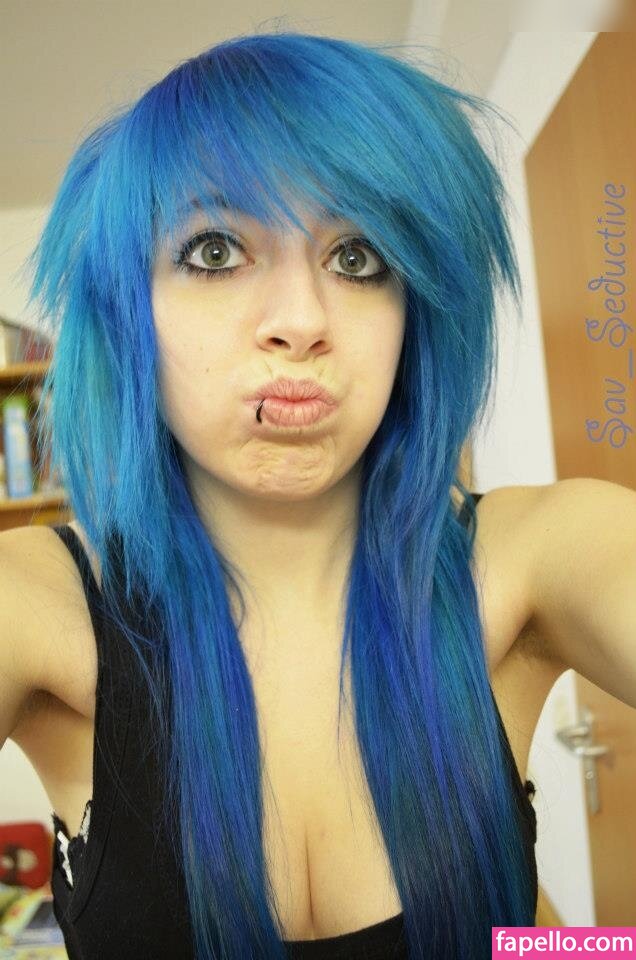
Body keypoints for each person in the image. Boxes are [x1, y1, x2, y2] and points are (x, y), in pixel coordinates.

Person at [2, 27, 634, 960]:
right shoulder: (35, 606)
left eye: (360, 257)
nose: (301, 322)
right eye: (214, 249)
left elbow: (528, 938)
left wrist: (594, 950)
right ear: (129, 315)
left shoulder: (535, 560)